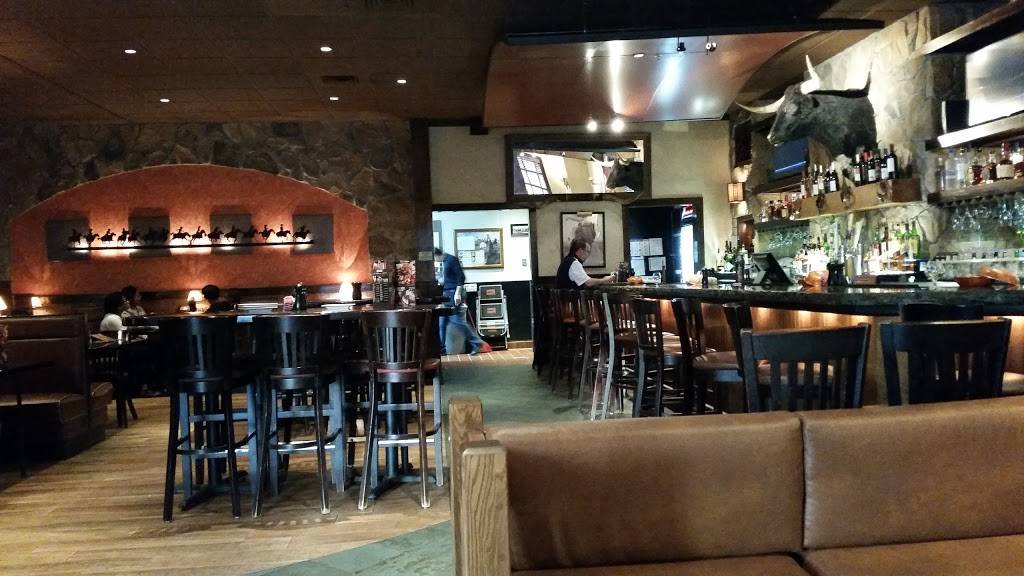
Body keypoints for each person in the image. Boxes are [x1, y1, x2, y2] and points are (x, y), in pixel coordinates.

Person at [434, 248, 491, 355]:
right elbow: (448, 279)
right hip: (446, 294)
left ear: (437, 255)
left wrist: (458, 293)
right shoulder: (444, 262)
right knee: (442, 322)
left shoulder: (452, 260)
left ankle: (477, 343)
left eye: (435, 258)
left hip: (453, 293)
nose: (435, 260)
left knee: (456, 321)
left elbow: (461, 277)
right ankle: (441, 349)